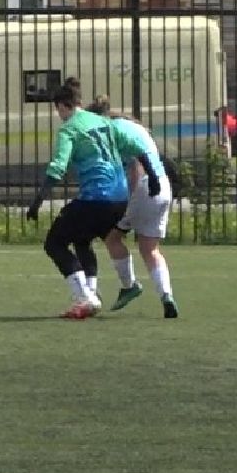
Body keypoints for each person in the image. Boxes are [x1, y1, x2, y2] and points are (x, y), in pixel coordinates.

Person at [28, 79, 161, 320]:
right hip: (120, 198)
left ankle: (85, 297)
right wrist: (153, 178)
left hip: (96, 199)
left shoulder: (69, 129)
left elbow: (58, 166)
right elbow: (137, 147)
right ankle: (91, 292)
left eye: (58, 109)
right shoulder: (104, 122)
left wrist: (38, 200)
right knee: (81, 239)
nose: (59, 115)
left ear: (63, 106)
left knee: (54, 243)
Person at [87, 97, 180, 320]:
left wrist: (126, 200)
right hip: (164, 188)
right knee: (150, 249)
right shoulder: (135, 127)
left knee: (113, 239)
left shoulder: (113, 131)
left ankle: (129, 285)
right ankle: (166, 296)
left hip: (145, 188)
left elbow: (136, 168)